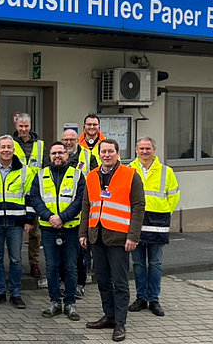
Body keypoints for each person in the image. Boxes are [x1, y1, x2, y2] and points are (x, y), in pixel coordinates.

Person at [80, 139, 145, 342]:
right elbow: (86, 206)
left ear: (118, 153)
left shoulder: (131, 175)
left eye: (110, 151)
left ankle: (120, 324)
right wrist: (83, 233)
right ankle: (109, 316)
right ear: (99, 154)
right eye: (103, 151)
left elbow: (138, 207)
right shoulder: (92, 175)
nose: (106, 155)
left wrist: (133, 236)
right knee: (103, 281)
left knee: (120, 283)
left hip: (119, 238)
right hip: (96, 236)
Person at [30, 142, 85, 321]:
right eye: (54, 153)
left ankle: (70, 303)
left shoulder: (77, 175)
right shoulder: (40, 175)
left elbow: (80, 200)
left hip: (71, 228)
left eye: (60, 152)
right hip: (49, 229)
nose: (57, 156)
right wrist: (50, 217)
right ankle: (54, 302)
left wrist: (62, 217)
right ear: (50, 156)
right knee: (52, 266)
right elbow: (35, 199)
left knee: (70, 267)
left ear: (67, 155)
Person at [0, 135, 34, 309]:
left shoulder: (25, 171)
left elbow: (29, 197)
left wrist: (29, 220)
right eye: (2, 147)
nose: (6, 150)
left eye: (9, 147)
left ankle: (16, 294)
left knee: (16, 259)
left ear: (14, 150)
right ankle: (0, 292)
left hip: (16, 222)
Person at [128, 137, 180, 317]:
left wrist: (164, 212)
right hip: (136, 222)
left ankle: (154, 299)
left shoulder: (166, 171)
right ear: (136, 150)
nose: (144, 151)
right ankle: (141, 298)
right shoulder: (128, 170)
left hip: (158, 223)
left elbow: (174, 196)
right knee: (138, 264)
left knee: (155, 263)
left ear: (154, 150)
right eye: (141, 148)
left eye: (148, 148)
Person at [62, 128, 97, 298]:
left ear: (78, 140)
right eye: (66, 140)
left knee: (81, 250)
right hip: (62, 211)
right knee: (63, 250)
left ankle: (80, 284)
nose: (69, 142)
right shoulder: (58, 156)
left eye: (72, 139)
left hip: (83, 210)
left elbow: (96, 179)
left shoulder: (88, 157)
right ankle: (65, 282)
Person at [12, 113, 46, 279]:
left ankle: (34, 262)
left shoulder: (40, 145)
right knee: (16, 231)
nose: (23, 129)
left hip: (35, 192)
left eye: (26, 126)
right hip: (16, 193)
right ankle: (15, 262)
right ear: (16, 126)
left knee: (35, 232)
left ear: (30, 126)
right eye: (21, 126)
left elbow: (45, 167)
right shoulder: (10, 143)